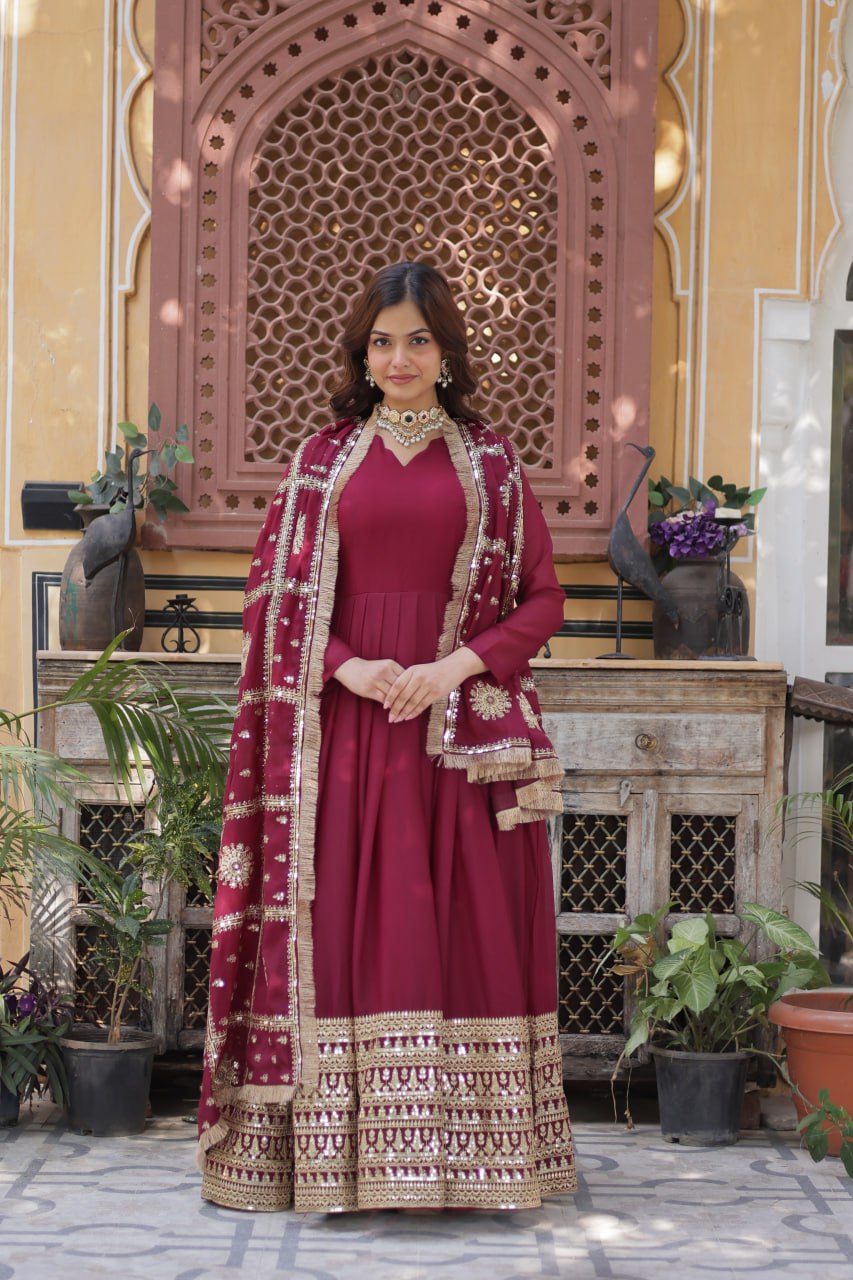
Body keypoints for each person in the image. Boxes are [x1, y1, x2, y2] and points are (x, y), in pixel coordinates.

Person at [198, 261, 577, 1212]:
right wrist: (345, 667)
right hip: (345, 745)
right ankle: (337, 1162)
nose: (397, 357)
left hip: (453, 742)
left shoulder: (491, 466)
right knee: (346, 934)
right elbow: (268, 599)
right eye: (380, 341)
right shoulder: (322, 463)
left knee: (465, 934)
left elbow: (544, 598)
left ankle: (475, 1164)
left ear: (445, 351)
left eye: (415, 339)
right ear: (361, 355)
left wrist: (454, 668)